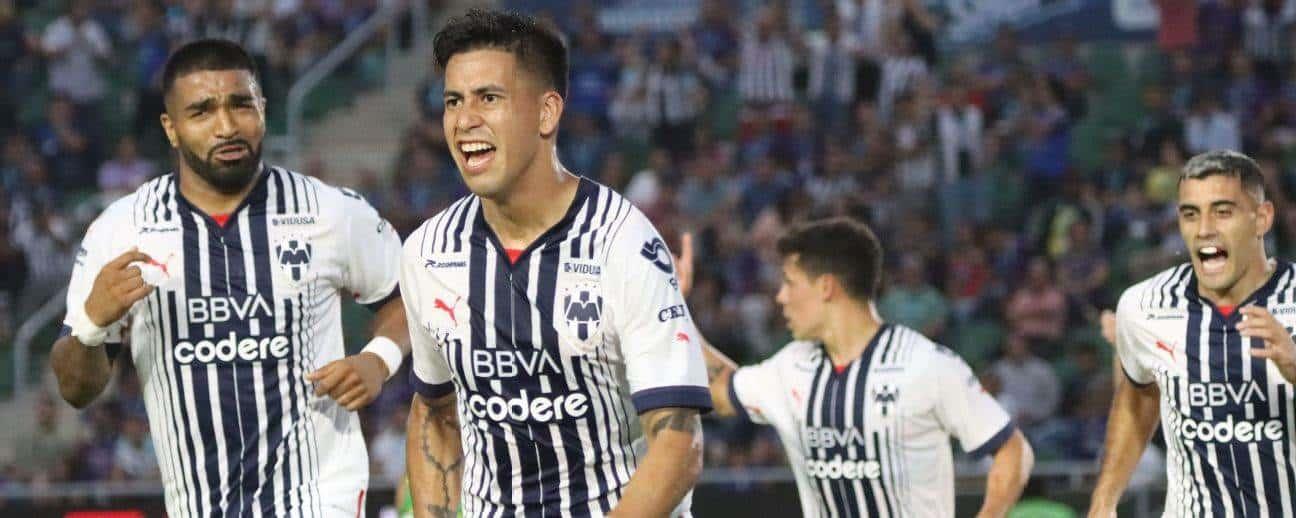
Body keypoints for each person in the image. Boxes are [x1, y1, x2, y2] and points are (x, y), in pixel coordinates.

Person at [49, 39, 411, 516]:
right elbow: (76, 389)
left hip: (320, 498)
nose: (226, 126)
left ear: (263, 109)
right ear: (171, 129)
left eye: (241, 104)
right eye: (201, 111)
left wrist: (378, 359)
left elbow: (411, 297)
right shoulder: (122, 229)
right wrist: (93, 324)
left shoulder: (328, 212)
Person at [401, 9, 711, 517]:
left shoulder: (622, 242)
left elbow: (679, 444)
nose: (464, 120)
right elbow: (435, 413)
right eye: (453, 101)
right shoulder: (427, 252)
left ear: (547, 113)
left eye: (489, 98)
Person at [697, 217, 1034, 518]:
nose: (780, 297)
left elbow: (1012, 449)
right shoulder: (791, 365)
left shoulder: (926, 365)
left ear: (826, 286)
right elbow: (720, 390)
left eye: (790, 282)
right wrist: (673, 308)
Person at [1090, 149, 1296, 516]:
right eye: (1190, 214)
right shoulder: (1144, 307)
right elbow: (1138, 398)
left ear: (1262, 218)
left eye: (1223, 212)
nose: (1204, 230)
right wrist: (1103, 502)